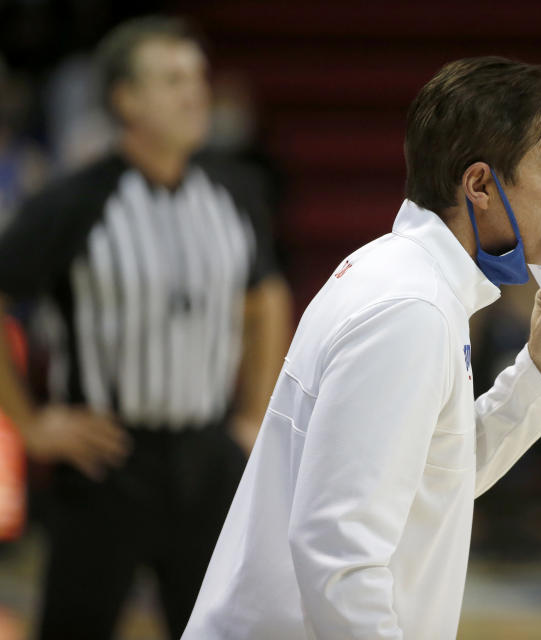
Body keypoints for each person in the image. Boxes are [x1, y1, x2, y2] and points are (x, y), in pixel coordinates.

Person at [183, 56, 541, 639]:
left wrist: (538, 371)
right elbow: (338, 553)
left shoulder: (409, 282)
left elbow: (435, 475)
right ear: (479, 185)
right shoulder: (409, 310)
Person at [0, 16, 291, 639]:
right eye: (172, 79)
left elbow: (265, 295)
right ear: (125, 99)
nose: (195, 93)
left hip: (208, 454)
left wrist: (252, 415)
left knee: (221, 628)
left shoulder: (234, 189)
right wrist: (31, 425)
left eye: (197, 77)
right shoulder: (72, 202)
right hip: (108, 459)